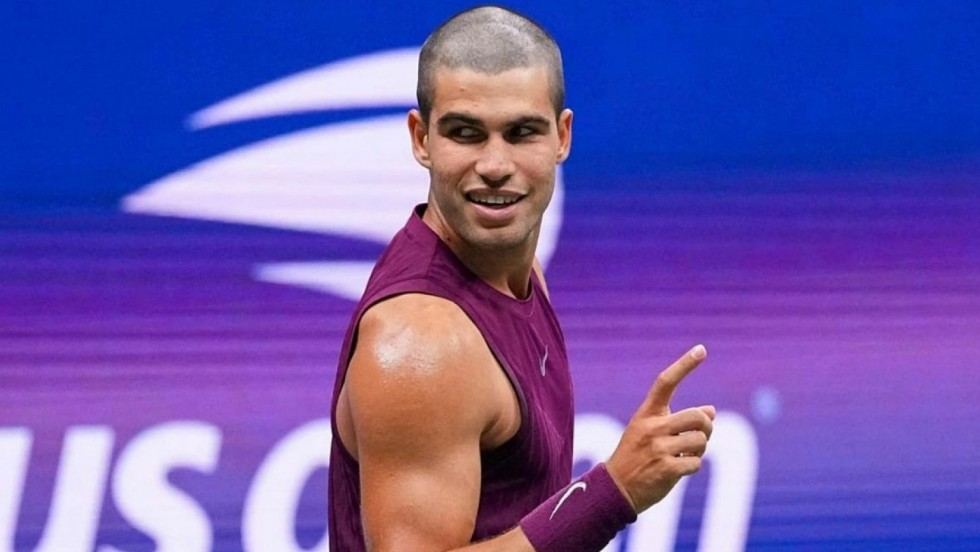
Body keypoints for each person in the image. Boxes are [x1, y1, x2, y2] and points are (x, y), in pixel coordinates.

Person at [327, 5, 716, 551]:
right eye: (466, 133)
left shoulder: (517, 271)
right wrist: (614, 493)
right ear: (421, 139)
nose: (494, 165)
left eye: (521, 133)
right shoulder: (425, 343)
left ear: (562, 137)